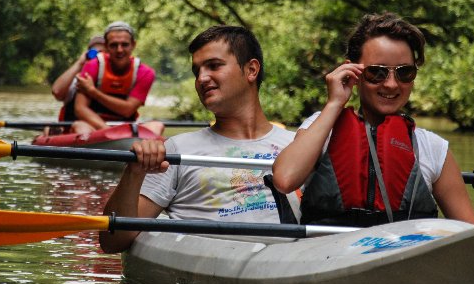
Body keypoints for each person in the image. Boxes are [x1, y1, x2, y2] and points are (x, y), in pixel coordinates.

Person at [99, 25, 295, 253]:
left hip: (288, 262)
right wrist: (135, 171)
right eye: (196, 71)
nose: (201, 78)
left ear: (251, 70)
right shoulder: (175, 151)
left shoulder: (298, 146)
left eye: (214, 66)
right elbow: (112, 242)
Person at [272, 12, 474, 226]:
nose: (391, 84)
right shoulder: (322, 128)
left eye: (404, 72)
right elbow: (285, 179)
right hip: (332, 255)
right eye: (377, 72)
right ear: (353, 72)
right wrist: (334, 103)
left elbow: (472, 235)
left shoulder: (433, 149)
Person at [70, 21, 164, 137]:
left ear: (133, 45)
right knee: (80, 127)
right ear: (106, 47)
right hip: (94, 126)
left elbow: (127, 110)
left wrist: (93, 92)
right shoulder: (92, 66)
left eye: (124, 44)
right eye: (114, 45)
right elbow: (80, 109)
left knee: (157, 125)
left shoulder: (145, 73)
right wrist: (109, 131)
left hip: (126, 128)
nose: (119, 50)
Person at [50, 34, 106, 122]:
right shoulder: (79, 79)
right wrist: (80, 63)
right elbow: (57, 91)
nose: (98, 58)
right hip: (76, 129)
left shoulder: (120, 78)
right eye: (95, 54)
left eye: (103, 53)